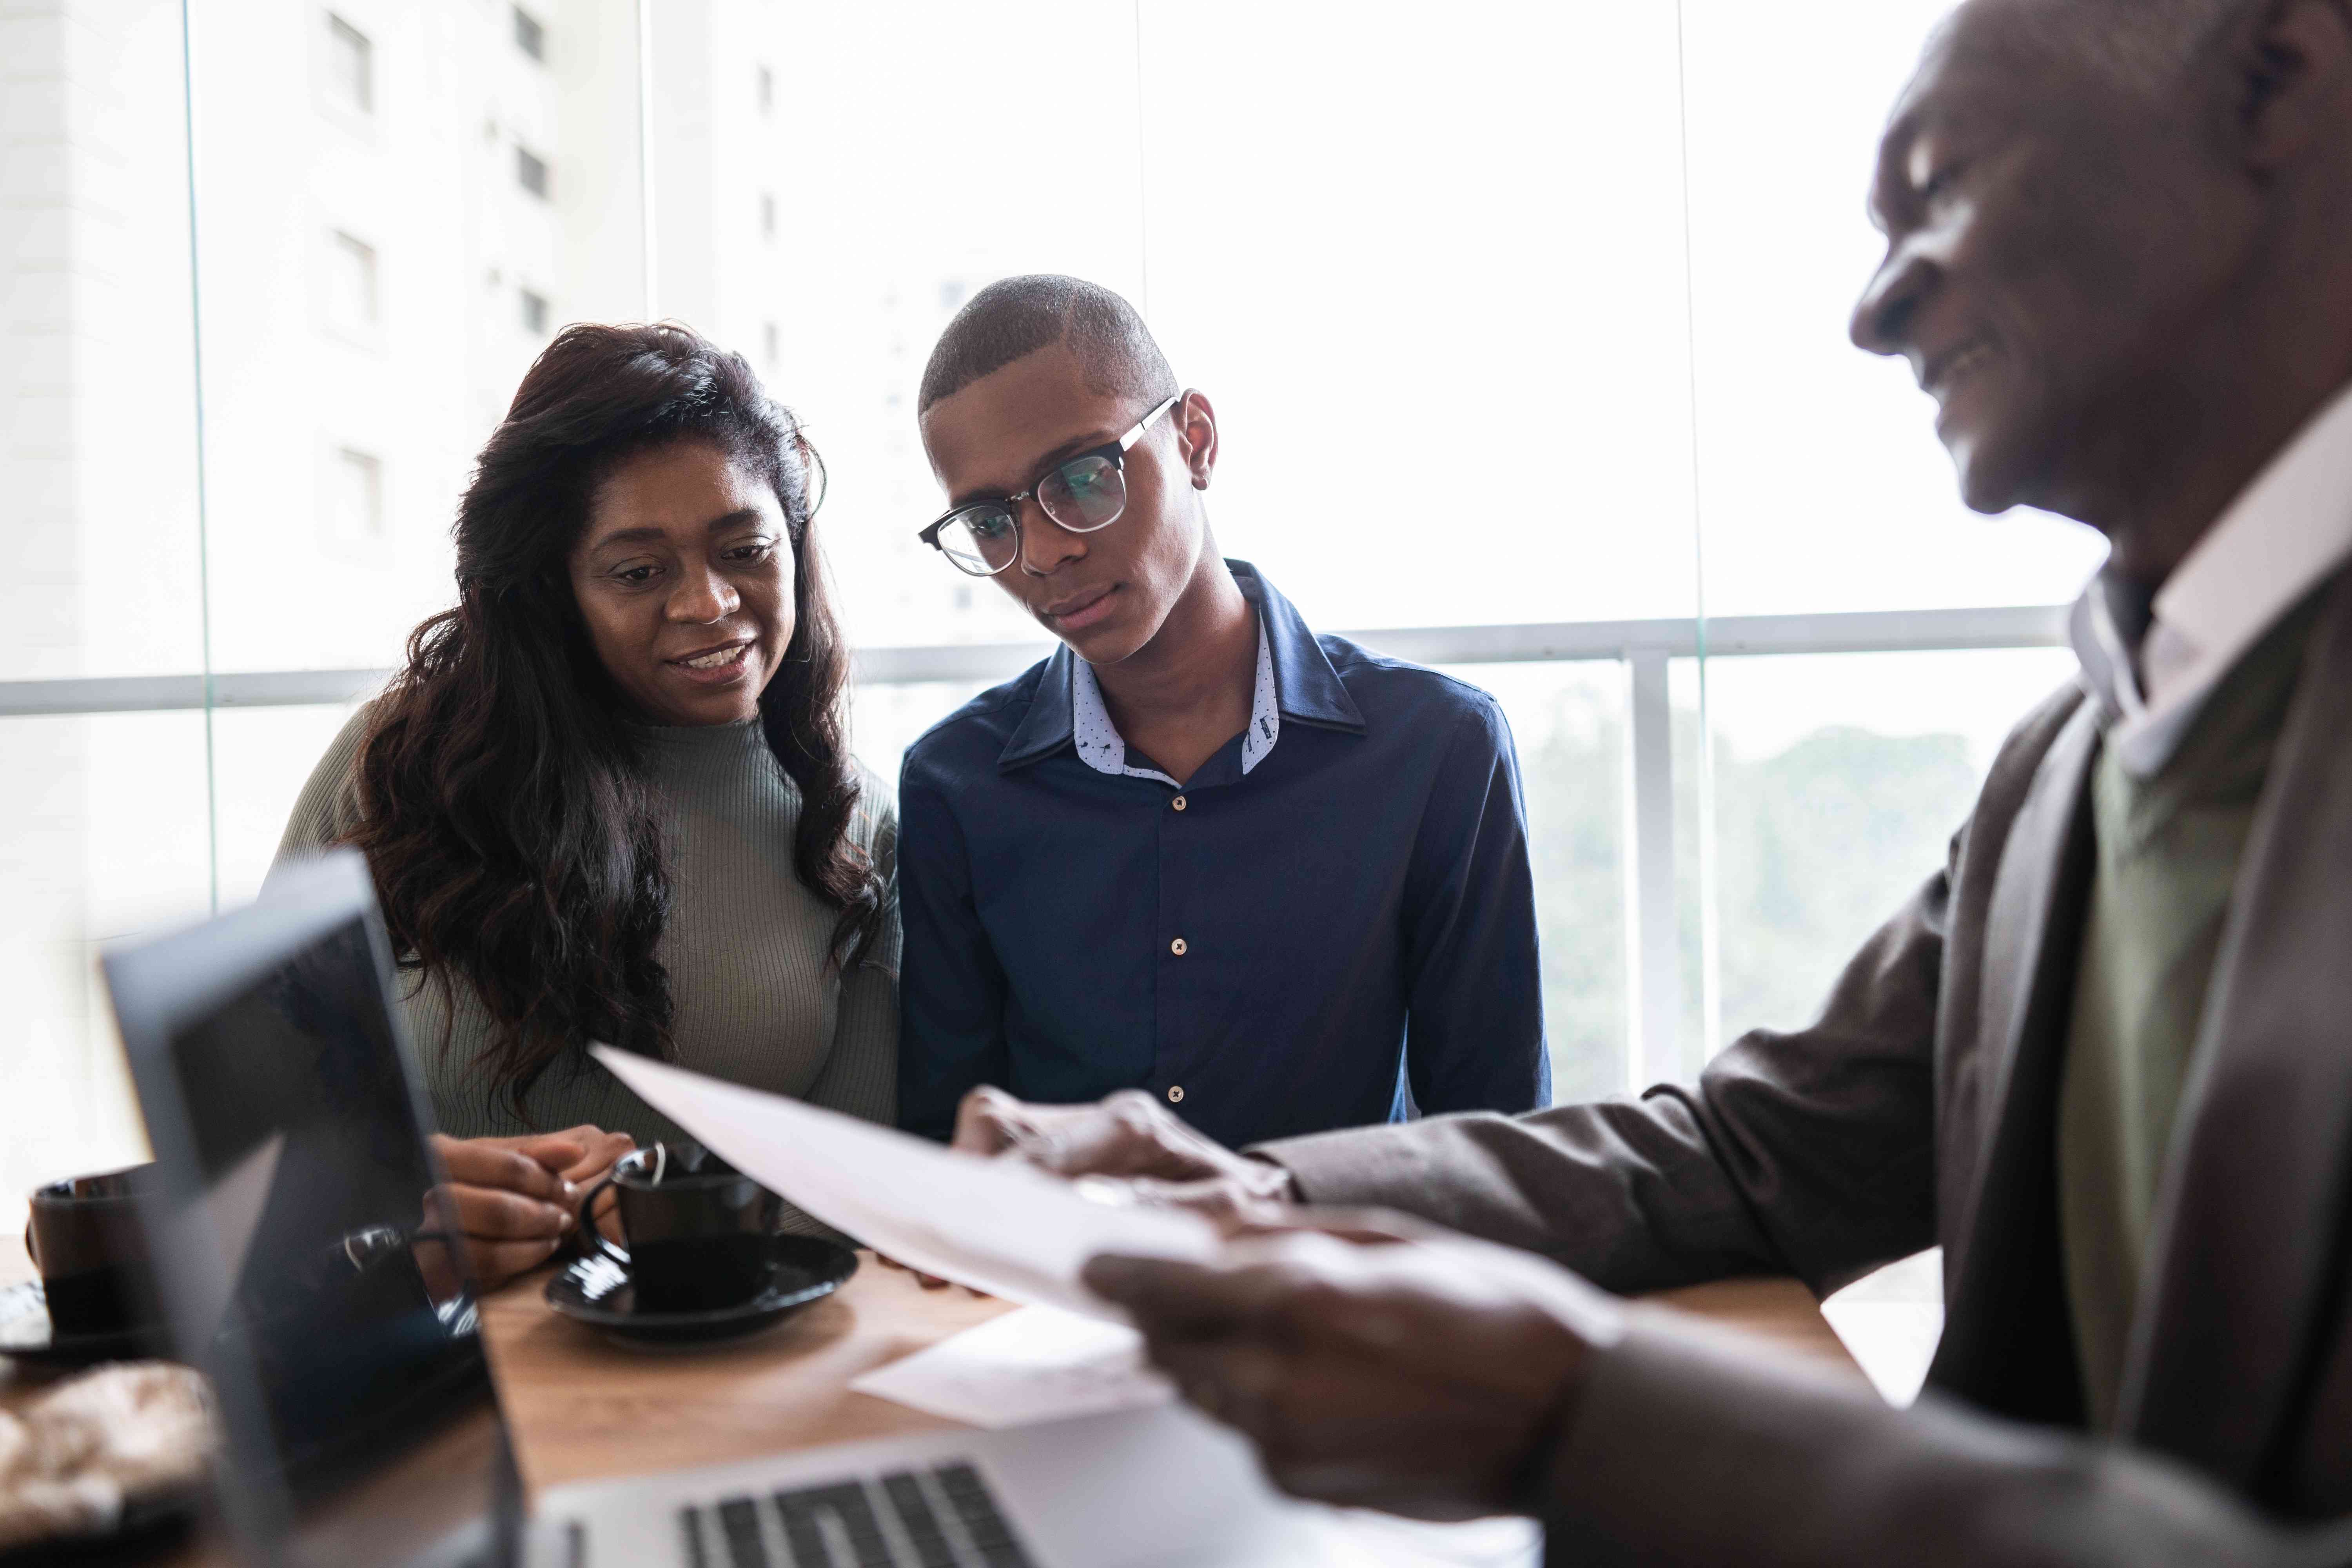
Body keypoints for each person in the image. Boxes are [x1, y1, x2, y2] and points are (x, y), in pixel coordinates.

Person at [937, 0, 2352, 1559]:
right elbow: (1748, 1153)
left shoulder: (1436, 744)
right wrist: (1251, 1191)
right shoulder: (2066, 773)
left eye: (1939, 192)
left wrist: (1577, 1417)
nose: (1877, 312)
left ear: (2283, 76)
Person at [277, 322, 897, 1284]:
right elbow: (259, 1128)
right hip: (429, 1351)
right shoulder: (391, 765)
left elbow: (857, 1185)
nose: (709, 603)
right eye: (638, 572)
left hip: (722, 1349)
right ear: (554, 587)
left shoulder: (853, 819)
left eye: (746, 548)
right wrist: (392, 1212)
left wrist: (663, 1223)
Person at [895, 275, 1548, 1149]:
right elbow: (949, 1159)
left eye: (1082, 476)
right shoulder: (955, 785)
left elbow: (1501, 1146)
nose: (1045, 552)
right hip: (1071, 1285)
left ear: (1195, 440)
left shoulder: (1439, 750)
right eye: (988, 521)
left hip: (1347, 1281)